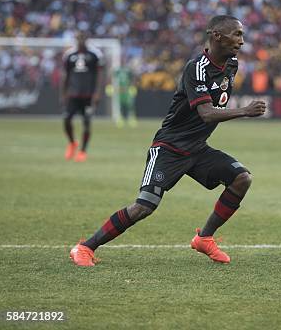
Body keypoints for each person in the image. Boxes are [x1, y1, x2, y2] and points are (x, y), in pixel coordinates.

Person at [70, 15, 266, 266]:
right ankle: (85, 247)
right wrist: (244, 111)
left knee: (241, 178)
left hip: (197, 148)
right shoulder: (196, 68)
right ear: (217, 35)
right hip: (169, 148)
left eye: (242, 34)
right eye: (237, 34)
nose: (242, 40)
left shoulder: (231, 64)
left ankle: (204, 238)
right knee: (144, 206)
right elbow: (206, 114)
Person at [62, 32, 104, 162]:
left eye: (83, 38)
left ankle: (82, 151)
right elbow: (66, 75)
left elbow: (99, 75)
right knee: (67, 119)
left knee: (86, 122)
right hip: (73, 94)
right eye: (78, 38)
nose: (80, 40)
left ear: (87, 39)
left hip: (88, 95)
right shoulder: (69, 55)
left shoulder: (95, 54)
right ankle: (72, 143)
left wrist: (97, 93)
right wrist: (63, 93)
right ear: (76, 39)